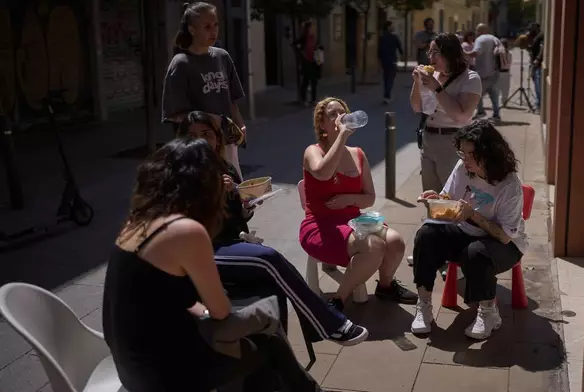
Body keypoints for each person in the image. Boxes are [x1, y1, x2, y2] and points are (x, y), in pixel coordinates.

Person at [103, 138, 326, 391]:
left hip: (130, 365)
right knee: (263, 342)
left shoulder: (136, 224)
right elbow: (220, 311)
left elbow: (170, 299)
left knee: (259, 338)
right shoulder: (186, 231)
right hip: (163, 373)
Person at [176, 111, 369, 346]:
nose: (201, 140)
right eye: (193, 135)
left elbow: (237, 213)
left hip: (233, 242)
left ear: (217, 138)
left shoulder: (225, 167)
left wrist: (246, 204)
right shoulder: (181, 174)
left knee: (272, 285)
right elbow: (183, 225)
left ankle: (279, 354)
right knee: (268, 259)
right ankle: (327, 323)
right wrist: (210, 193)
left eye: (206, 134)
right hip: (204, 251)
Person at [410, 120, 528, 339]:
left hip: (506, 244)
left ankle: (489, 312)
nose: (464, 159)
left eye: (469, 154)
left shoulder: (509, 184)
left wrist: (472, 214)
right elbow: (449, 198)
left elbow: (504, 236)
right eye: (461, 152)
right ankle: (424, 304)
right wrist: (435, 199)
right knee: (426, 234)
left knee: (476, 252)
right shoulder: (463, 166)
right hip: (465, 231)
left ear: (488, 153)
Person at [299, 97, 418, 311]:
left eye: (342, 112)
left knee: (396, 242)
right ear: (323, 126)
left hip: (354, 221)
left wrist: (349, 199)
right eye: (332, 115)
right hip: (320, 225)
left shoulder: (358, 154)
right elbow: (324, 174)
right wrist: (342, 135)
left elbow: (370, 197)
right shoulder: (313, 151)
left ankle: (385, 286)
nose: (340, 117)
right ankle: (338, 300)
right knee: (373, 247)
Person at [162, 2, 246, 180]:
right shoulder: (181, 64)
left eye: (215, 25)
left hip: (226, 142)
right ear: (192, 30)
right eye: (207, 27)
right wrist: (208, 118)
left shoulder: (222, 57)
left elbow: (231, 100)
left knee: (235, 193)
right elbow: (174, 114)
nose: (213, 31)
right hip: (197, 148)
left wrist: (240, 123)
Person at [410, 33, 482, 193]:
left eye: (435, 52)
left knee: (452, 197)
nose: (431, 57)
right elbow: (417, 107)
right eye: (429, 52)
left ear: (449, 53)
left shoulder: (470, 78)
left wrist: (437, 88)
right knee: (430, 195)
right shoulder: (433, 76)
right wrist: (416, 83)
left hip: (453, 142)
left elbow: (461, 116)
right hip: (429, 140)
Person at [463, 24, 502, 122]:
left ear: (480, 30)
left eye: (477, 30)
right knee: (494, 93)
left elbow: (476, 53)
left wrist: (463, 53)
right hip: (494, 72)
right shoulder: (495, 38)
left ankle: (480, 111)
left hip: (483, 72)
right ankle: (496, 114)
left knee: (475, 92)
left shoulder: (480, 39)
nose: (476, 32)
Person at [294, 20, 322, 106]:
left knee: (314, 81)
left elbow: (318, 47)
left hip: (314, 61)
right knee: (306, 81)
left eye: (312, 28)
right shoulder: (303, 38)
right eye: (309, 28)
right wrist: (301, 54)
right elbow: (295, 45)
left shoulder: (314, 38)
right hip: (306, 62)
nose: (311, 30)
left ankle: (313, 100)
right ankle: (304, 99)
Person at [378, 21, 403, 104]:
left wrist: (380, 59)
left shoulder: (381, 37)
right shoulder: (394, 37)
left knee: (386, 78)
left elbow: (379, 50)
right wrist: (402, 55)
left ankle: (386, 95)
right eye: (391, 26)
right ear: (388, 27)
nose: (393, 27)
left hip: (384, 61)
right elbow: (399, 48)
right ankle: (387, 95)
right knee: (391, 78)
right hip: (392, 60)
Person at [527, 23, 544, 112]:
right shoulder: (535, 37)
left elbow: (542, 48)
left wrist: (537, 59)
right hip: (534, 64)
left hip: (538, 64)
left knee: (538, 86)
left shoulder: (541, 36)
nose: (530, 30)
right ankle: (537, 104)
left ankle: (538, 106)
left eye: (531, 29)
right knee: (536, 83)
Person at [497, 38, 513, 104]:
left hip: (506, 72)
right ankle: (497, 102)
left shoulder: (509, 53)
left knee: (505, 89)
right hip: (498, 72)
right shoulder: (497, 53)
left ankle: (504, 102)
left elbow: (508, 64)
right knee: (497, 89)